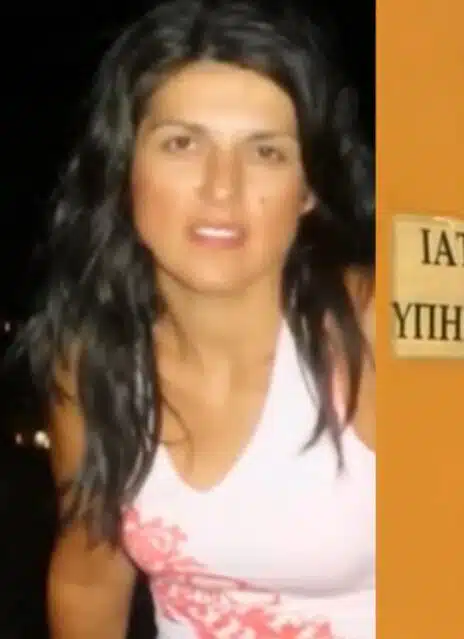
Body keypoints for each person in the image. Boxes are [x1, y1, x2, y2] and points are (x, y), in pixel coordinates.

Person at [17, 0, 376, 637]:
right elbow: (88, 579)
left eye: (265, 152)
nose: (221, 188)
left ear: (308, 189)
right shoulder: (95, 362)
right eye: (182, 144)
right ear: (125, 167)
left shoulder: (373, 327)